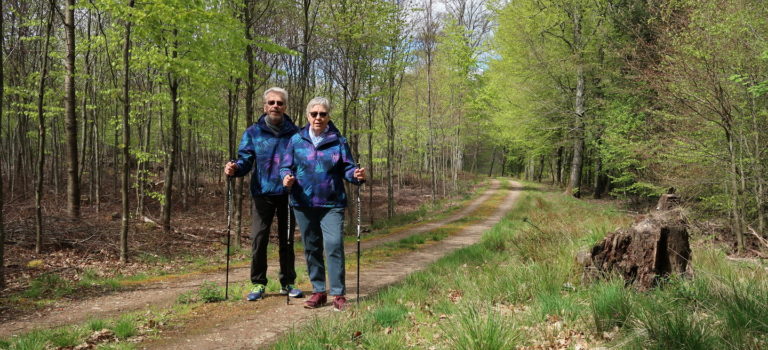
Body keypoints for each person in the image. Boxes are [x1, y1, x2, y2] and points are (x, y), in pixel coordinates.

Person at [280, 97, 365, 311]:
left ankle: (338, 294)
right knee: (311, 247)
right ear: (308, 116)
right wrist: (286, 177)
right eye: (314, 114)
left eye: (323, 114)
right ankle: (319, 291)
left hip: (332, 202)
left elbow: (347, 168)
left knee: (334, 245)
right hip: (302, 202)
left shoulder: (338, 141)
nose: (318, 118)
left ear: (328, 117)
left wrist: (356, 175)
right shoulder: (296, 140)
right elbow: (284, 166)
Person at [224, 87, 303, 301]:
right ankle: (258, 283)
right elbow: (245, 159)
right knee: (259, 239)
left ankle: (287, 282)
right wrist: (235, 168)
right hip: (262, 193)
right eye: (271, 102)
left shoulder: (296, 134)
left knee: (287, 240)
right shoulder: (253, 132)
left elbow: (303, 162)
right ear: (265, 106)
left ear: (285, 106)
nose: (275, 106)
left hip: (288, 193)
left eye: (279, 103)